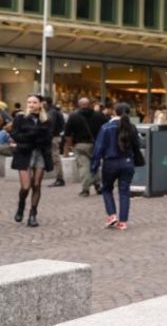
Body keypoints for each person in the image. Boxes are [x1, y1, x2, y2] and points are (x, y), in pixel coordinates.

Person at [91, 102, 141, 231]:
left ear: (114, 112)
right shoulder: (132, 128)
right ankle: (123, 221)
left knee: (107, 189)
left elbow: (99, 148)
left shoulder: (106, 127)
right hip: (127, 162)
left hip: (110, 163)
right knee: (124, 192)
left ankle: (112, 215)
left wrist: (94, 166)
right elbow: (137, 145)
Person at [11, 94, 53, 227]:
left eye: (34, 102)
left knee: (36, 185)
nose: (31, 105)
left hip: (40, 153)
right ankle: (21, 206)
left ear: (40, 104)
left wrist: (39, 136)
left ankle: (33, 215)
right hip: (24, 153)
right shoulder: (20, 118)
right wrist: (32, 134)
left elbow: (48, 138)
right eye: (29, 102)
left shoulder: (46, 119)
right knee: (25, 186)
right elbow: (15, 135)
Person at [63, 97, 108, 197]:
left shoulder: (73, 116)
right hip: (97, 144)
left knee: (84, 166)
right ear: (90, 104)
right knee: (95, 164)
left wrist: (71, 145)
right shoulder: (99, 115)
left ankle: (85, 188)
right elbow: (106, 129)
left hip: (80, 144)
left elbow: (67, 133)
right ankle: (98, 185)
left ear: (79, 105)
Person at [44, 96, 66, 187]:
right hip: (55, 136)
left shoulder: (51, 112)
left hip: (53, 137)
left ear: (45, 102)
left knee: (55, 158)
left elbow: (50, 126)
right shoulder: (55, 111)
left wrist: (47, 137)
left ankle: (59, 179)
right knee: (55, 158)